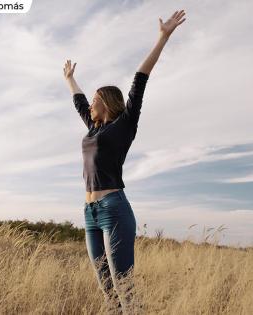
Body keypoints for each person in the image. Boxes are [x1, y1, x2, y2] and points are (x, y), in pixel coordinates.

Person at [63, 9, 186, 315]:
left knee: (124, 288)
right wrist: (70, 79)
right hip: (90, 212)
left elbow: (139, 80)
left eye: (94, 99)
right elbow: (79, 102)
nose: (89, 104)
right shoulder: (93, 129)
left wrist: (163, 37)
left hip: (114, 209)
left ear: (105, 101)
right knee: (106, 289)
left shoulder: (125, 124)